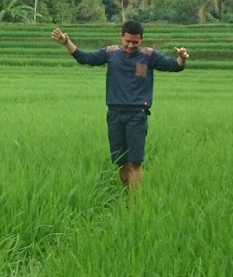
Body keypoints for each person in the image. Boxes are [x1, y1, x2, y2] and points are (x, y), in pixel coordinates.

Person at [51, 20, 188, 191]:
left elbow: (174, 66)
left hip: (137, 114)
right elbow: (86, 58)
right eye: (127, 41)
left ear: (141, 39)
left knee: (136, 161)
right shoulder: (111, 53)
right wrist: (66, 43)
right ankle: (125, 193)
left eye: (135, 42)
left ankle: (134, 200)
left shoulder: (149, 55)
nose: (131, 45)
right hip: (115, 114)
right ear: (121, 36)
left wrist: (181, 58)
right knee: (121, 160)